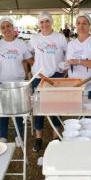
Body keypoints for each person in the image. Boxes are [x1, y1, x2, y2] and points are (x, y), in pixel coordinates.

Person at [28, 11, 67, 152]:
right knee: (39, 108)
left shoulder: (60, 37)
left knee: (55, 107)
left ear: (51, 22)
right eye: (42, 22)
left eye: (47, 21)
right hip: (38, 77)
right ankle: (39, 138)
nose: (44, 24)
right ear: (39, 24)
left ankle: (55, 137)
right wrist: (33, 66)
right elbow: (28, 54)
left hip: (55, 75)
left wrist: (64, 67)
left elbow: (66, 53)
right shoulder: (34, 38)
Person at [0, 17, 34, 143]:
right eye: (3, 27)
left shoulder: (21, 44)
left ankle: (19, 135)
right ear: (0, 30)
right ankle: (3, 136)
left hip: (19, 82)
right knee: (3, 111)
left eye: (8, 26)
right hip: (2, 82)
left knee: (18, 110)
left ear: (13, 27)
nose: (6, 29)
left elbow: (30, 61)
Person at [65, 13, 91, 104]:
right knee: (77, 116)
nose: (81, 26)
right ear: (75, 26)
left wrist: (79, 61)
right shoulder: (71, 44)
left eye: (84, 23)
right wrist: (64, 66)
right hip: (75, 87)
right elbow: (68, 64)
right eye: (78, 23)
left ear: (89, 26)